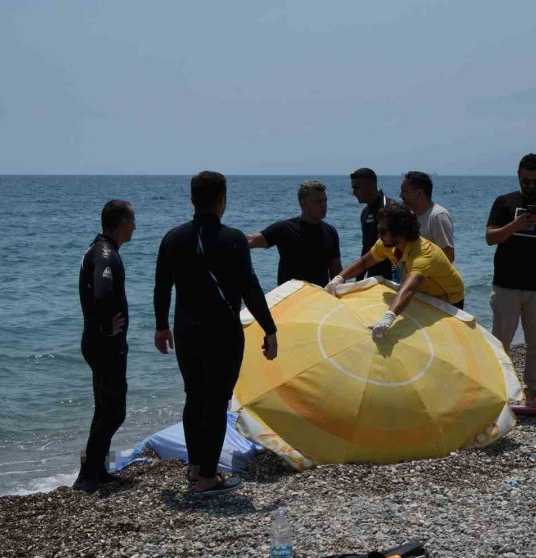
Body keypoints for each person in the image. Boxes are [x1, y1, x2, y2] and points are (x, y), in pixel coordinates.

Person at [154, 171, 278, 495]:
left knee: (194, 397)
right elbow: (250, 287)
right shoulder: (233, 239)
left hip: (186, 331)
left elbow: (161, 287)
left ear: (192, 200)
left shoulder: (172, 238)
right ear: (222, 200)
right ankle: (207, 478)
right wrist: (270, 328)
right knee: (216, 402)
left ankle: (196, 467)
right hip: (223, 332)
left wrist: (161, 326)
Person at [485, 153, 536, 408]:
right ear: (518, 177)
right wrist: (515, 225)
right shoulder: (504, 202)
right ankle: (498, 391)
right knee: (500, 343)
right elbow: (490, 238)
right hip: (506, 284)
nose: (531, 187)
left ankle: (532, 391)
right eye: (526, 182)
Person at [324, 203, 464, 340]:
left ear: (400, 233)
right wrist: (338, 279)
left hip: (449, 299)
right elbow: (364, 262)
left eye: (383, 231)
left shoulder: (423, 255)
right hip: (422, 293)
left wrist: (388, 317)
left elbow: (409, 289)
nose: (379, 235)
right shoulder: (387, 244)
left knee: (440, 339)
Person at [74, 199, 136, 492]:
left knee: (105, 408)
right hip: (104, 345)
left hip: (98, 343)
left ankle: (96, 469)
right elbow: (102, 293)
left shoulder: (99, 249)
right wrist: (105, 326)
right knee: (114, 411)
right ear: (122, 224)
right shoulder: (105, 254)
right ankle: (87, 473)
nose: (135, 226)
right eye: (132, 221)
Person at [247, 180, 341, 287]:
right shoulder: (284, 229)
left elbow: (336, 273)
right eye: (318, 201)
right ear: (303, 203)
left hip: (319, 298)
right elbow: (250, 240)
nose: (324, 205)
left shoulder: (330, 232)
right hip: (290, 297)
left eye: (325, 200)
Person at [350, 168, 396, 280]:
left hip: (393, 277)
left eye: (356, 188)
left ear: (370, 185)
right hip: (374, 276)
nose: (353, 193)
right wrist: (358, 280)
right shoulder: (365, 212)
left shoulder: (389, 208)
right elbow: (366, 248)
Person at [400, 171, 456, 262]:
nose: (400, 195)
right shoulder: (411, 216)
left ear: (419, 193)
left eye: (405, 191)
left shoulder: (437, 216)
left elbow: (448, 256)